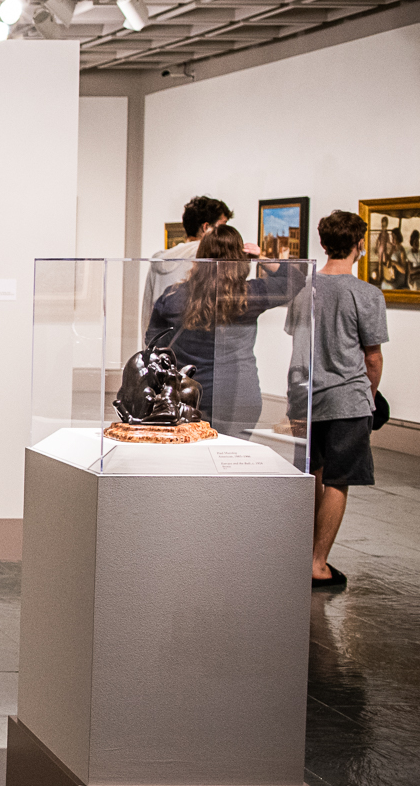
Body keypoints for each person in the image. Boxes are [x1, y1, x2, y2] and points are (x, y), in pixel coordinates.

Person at [145, 225, 302, 437]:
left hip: (189, 394)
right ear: (240, 258)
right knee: (230, 462)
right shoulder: (248, 295)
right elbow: (295, 280)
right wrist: (260, 257)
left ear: (201, 257)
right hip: (238, 394)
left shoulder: (175, 296)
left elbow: (153, 341)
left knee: (193, 461)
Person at [308, 210, 388, 589]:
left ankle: (302, 554)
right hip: (348, 400)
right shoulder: (366, 294)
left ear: (323, 243)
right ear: (360, 245)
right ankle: (318, 563)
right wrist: (368, 399)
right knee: (339, 481)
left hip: (308, 397)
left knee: (314, 476)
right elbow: (372, 357)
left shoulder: (305, 287)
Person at [142, 195, 231, 319]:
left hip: (163, 336)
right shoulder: (209, 255)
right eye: (223, 225)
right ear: (206, 227)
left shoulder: (159, 258)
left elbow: (148, 310)